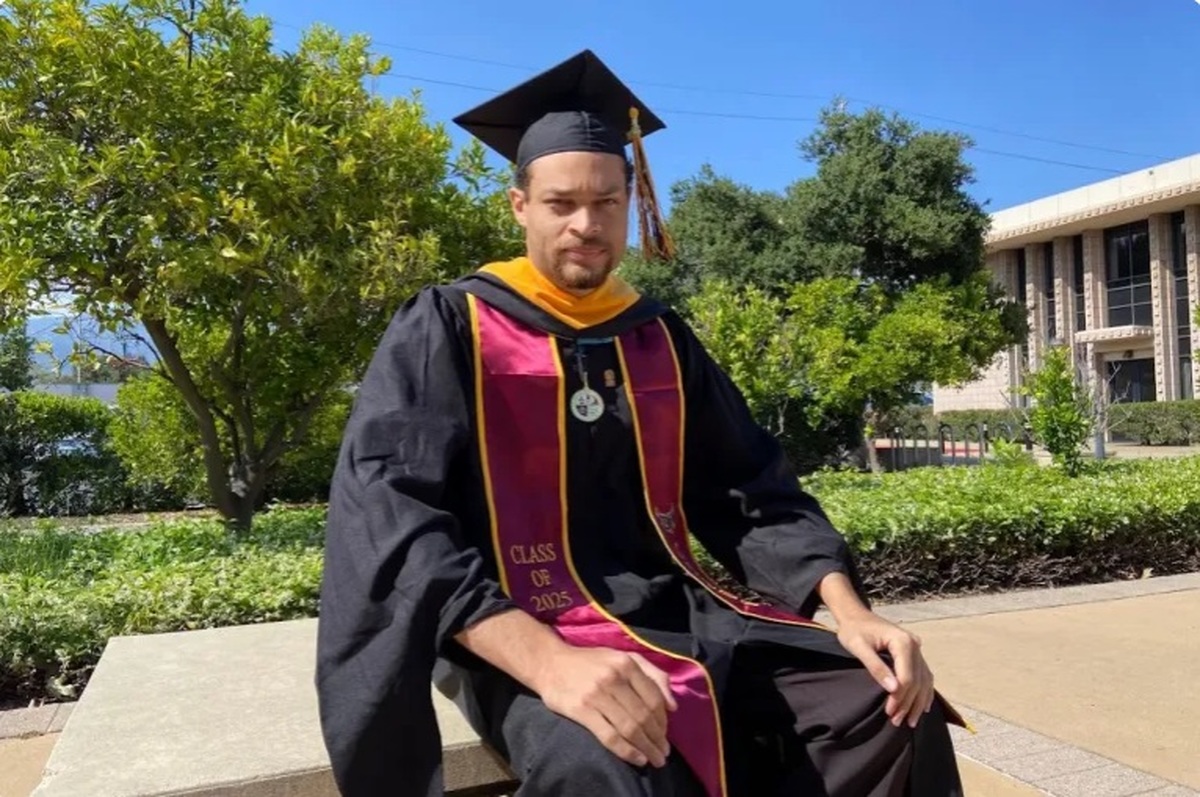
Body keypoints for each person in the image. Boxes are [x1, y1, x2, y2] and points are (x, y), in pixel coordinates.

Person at [315, 49, 967, 797]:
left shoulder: (656, 335)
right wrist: (547, 663)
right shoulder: (450, 325)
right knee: (610, 763)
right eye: (561, 203)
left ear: (632, 200)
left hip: (678, 609)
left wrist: (848, 613)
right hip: (511, 626)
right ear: (520, 206)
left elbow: (750, 488)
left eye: (606, 201)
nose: (585, 225)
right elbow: (391, 513)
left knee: (889, 704)